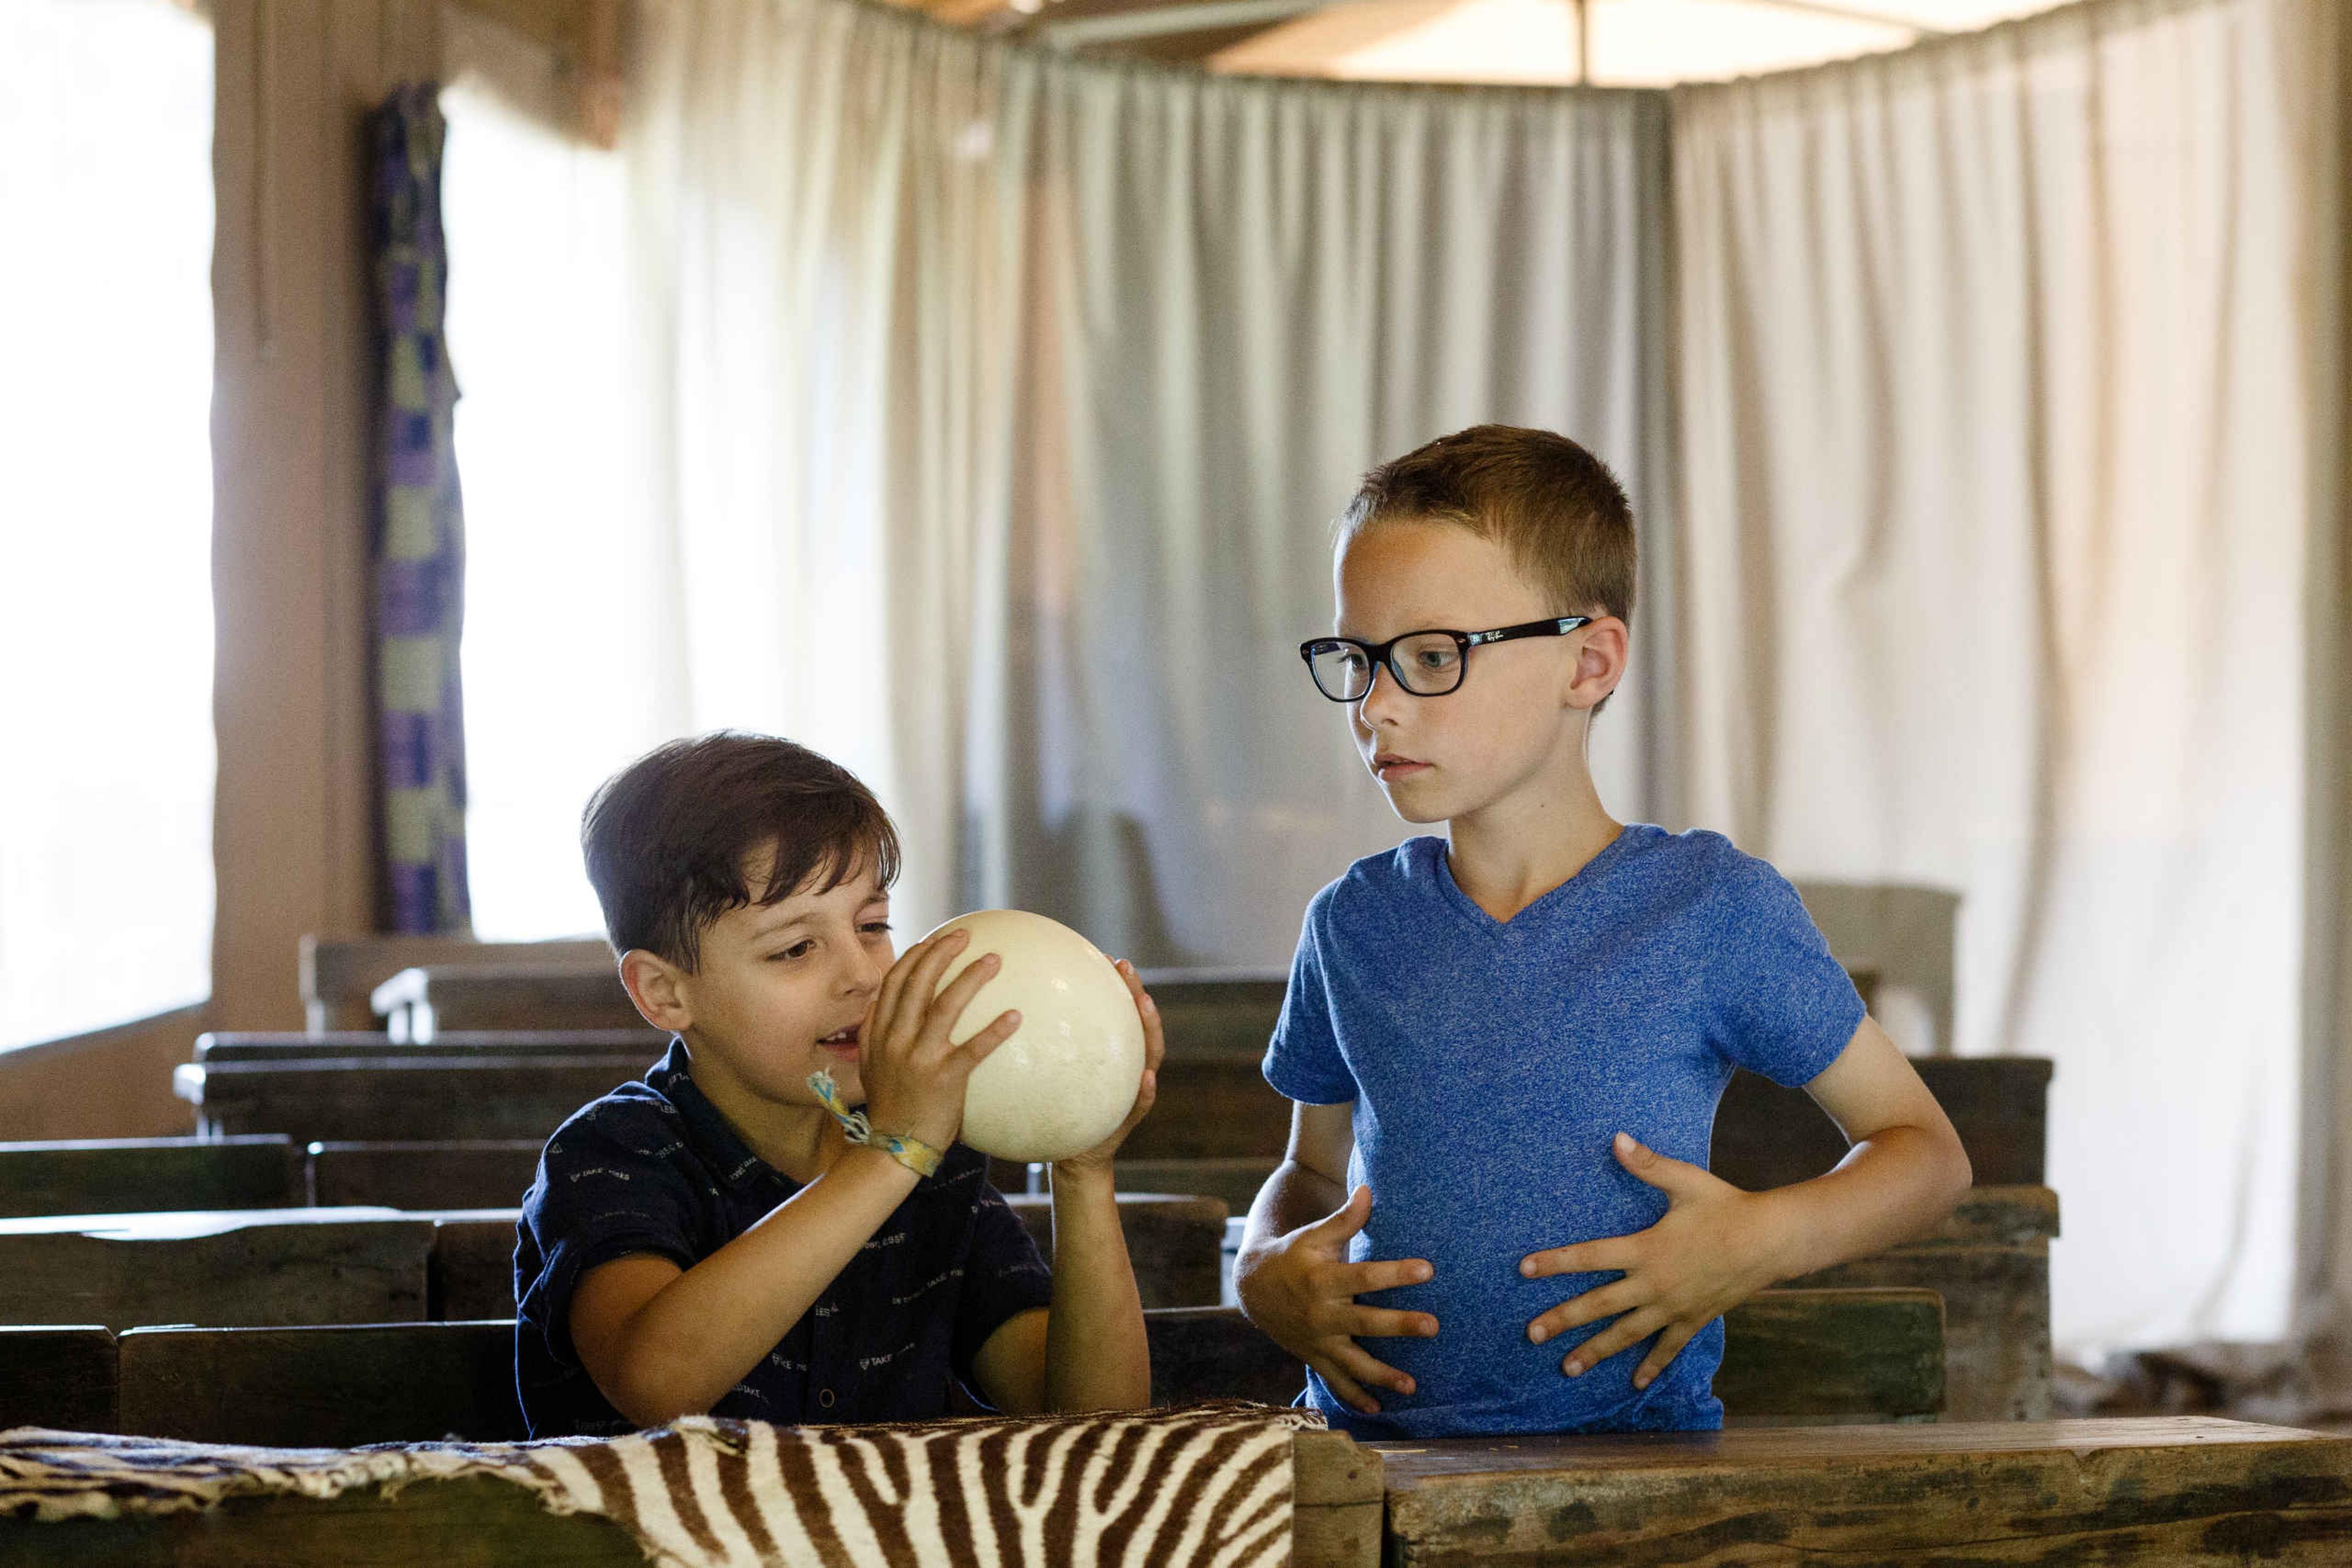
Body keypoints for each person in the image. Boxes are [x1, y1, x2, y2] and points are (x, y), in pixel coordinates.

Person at [1232, 425, 1973, 1437]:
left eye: (1433, 656)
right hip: (1362, 1475)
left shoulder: (1710, 911)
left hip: (1632, 1486)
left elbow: (1927, 1155)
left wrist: (1762, 1238)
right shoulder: (1350, 925)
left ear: (1589, 662)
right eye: (1358, 660)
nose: (1380, 707)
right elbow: (1311, 1174)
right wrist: (1262, 1266)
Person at [514, 731, 1162, 1437]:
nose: (862, 973)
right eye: (795, 948)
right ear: (666, 993)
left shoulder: (935, 1166)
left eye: (873, 926)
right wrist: (893, 1152)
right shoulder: (615, 1152)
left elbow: (1093, 1422)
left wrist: (1083, 1166)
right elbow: (656, 1379)